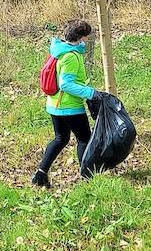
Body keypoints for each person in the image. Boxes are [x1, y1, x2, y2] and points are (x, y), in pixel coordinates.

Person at [32, 19, 104, 188]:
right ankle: (88, 179)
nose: (88, 40)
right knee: (84, 139)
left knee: (61, 139)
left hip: (55, 105)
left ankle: (40, 175)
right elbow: (66, 84)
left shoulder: (59, 51)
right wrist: (91, 93)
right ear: (81, 38)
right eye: (87, 36)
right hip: (69, 107)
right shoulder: (71, 56)